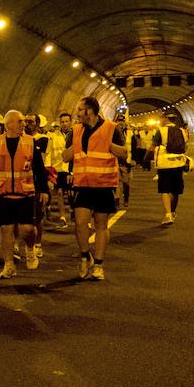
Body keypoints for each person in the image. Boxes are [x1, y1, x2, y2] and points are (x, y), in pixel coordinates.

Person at [61, 97, 127, 281]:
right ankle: (85, 256)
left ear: (90, 111)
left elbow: (123, 153)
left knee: (101, 225)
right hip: (82, 184)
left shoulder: (112, 128)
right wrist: (76, 146)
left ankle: (98, 264)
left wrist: (108, 145)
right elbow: (65, 157)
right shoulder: (74, 131)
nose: (77, 113)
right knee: (80, 224)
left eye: (80, 109)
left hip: (104, 184)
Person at [0, 110, 49, 278]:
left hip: (25, 194)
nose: (23, 124)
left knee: (27, 230)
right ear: (9, 124)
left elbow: (39, 169)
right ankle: (9, 264)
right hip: (3, 194)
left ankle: (30, 248)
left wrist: (44, 190)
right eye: (20, 121)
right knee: (6, 229)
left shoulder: (30, 143)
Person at [150, 119, 189, 225]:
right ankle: (172, 211)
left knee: (165, 189)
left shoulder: (161, 131)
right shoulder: (181, 131)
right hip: (178, 163)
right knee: (175, 190)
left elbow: (153, 146)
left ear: (165, 120)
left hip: (164, 164)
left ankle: (168, 214)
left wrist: (147, 156)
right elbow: (185, 146)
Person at [25, 113, 52, 258]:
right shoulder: (20, 139)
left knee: (37, 217)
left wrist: (45, 185)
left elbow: (42, 163)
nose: (27, 124)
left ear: (37, 123)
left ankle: (38, 243)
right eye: (25, 121)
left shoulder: (42, 140)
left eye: (31, 121)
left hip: (35, 182)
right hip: (21, 183)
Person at [52, 112, 73, 229]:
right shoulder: (54, 136)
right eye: (62, 122)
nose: (64, 124)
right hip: (59, 168)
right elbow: (51, 153)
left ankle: (74, 213)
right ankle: (62, 217)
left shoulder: (76, 135)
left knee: (72, 194)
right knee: (59, 193)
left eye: (66, 121)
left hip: (71, 168)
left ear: (70, 122)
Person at [114, 112, 134, 209]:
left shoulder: (130, 133)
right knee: (117, 182)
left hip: (128, 162)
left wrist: (134, 160)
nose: (120, 123)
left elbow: (135, 146)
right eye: (119, 121)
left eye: (122, 121)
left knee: (126, 182)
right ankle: (117, 201)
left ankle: (126, 198)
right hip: (116, 160)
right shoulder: (113, 132)